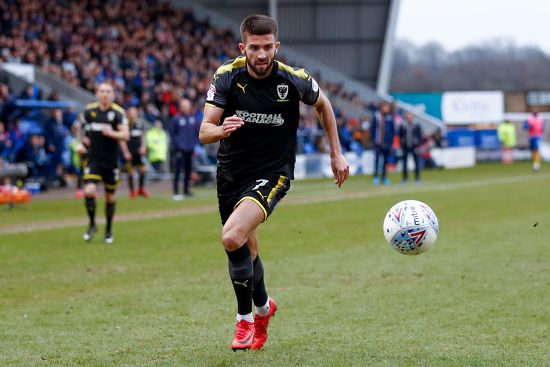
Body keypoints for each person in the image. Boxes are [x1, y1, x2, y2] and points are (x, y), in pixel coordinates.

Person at [199, 14, 349, 351]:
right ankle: (265, 309)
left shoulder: (293, 79)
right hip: (231, 174)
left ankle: (244, 322)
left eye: (268, 47)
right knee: (246, 249)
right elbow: (204, 131)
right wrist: (221, 129)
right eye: (255, 48)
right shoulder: (226, 76)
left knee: (231, 235)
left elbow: (324, 105)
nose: (262, 54)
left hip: (273, 172)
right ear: (243, 48)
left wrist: (335, 153)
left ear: (277, 46)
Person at [77, 83, 129, 244]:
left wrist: (111, 132)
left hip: (111, 162)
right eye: (102, 91)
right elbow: (77, 127)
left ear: (113, 94)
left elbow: (125, 135)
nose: (105, 94)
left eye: (108, 91)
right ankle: (92, 224)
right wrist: (80, 142)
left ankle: (108, 229)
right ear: (97, 93)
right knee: (89, 190)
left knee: (110, 197)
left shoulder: (118, 113)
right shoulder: (89, 111)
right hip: (93, 159)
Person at [170, 98, 200, 201]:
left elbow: (197, 133)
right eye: (184, 105)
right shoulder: (176, 119)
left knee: (188, 170)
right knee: (178, 171)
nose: (186, 107)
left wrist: (194, 145)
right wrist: (178, 145)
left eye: (187, 105)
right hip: (180, 149)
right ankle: (176, 191)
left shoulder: (193, 119)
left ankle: (186, 190)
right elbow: (173, 134)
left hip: (190, 150)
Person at [120, 107, 148, 198]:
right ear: (128, 113)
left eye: (134, 112)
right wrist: (126, 152)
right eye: (131, 112)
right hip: (130, 151)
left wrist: (143, 147)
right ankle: (132, 191)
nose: (133, 114)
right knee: (131, 172)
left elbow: (143, 136)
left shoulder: (140, 123)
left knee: (143, 170)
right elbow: (122, 140)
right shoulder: (125, 125)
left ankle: (141, 189)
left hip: (139, 151)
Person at [370, 102, 395, 185]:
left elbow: (392, 131)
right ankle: (376, 177)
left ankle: (384, 177)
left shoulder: (389, 118)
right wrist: (374, 140)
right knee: (376, 160)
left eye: (387, 107)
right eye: (385, 107)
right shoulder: (376, 116)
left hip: (387, 144)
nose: (386, 109)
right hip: (378, 143)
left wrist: (390, 143)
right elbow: (372, 129)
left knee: (385, 161)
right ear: (381, 107)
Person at [398, 112, 423, 183]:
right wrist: (402, 143)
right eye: (408, 117)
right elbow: (399, 135)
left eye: (411, 117)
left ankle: (417, 178)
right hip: (405, 146)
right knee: (404, 163)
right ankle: (404, 178)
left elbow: (419, 136)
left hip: (414, 146)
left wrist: (417, 143)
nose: (410, 119)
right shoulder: (403, 125)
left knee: (416, 162)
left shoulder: (416, 125)